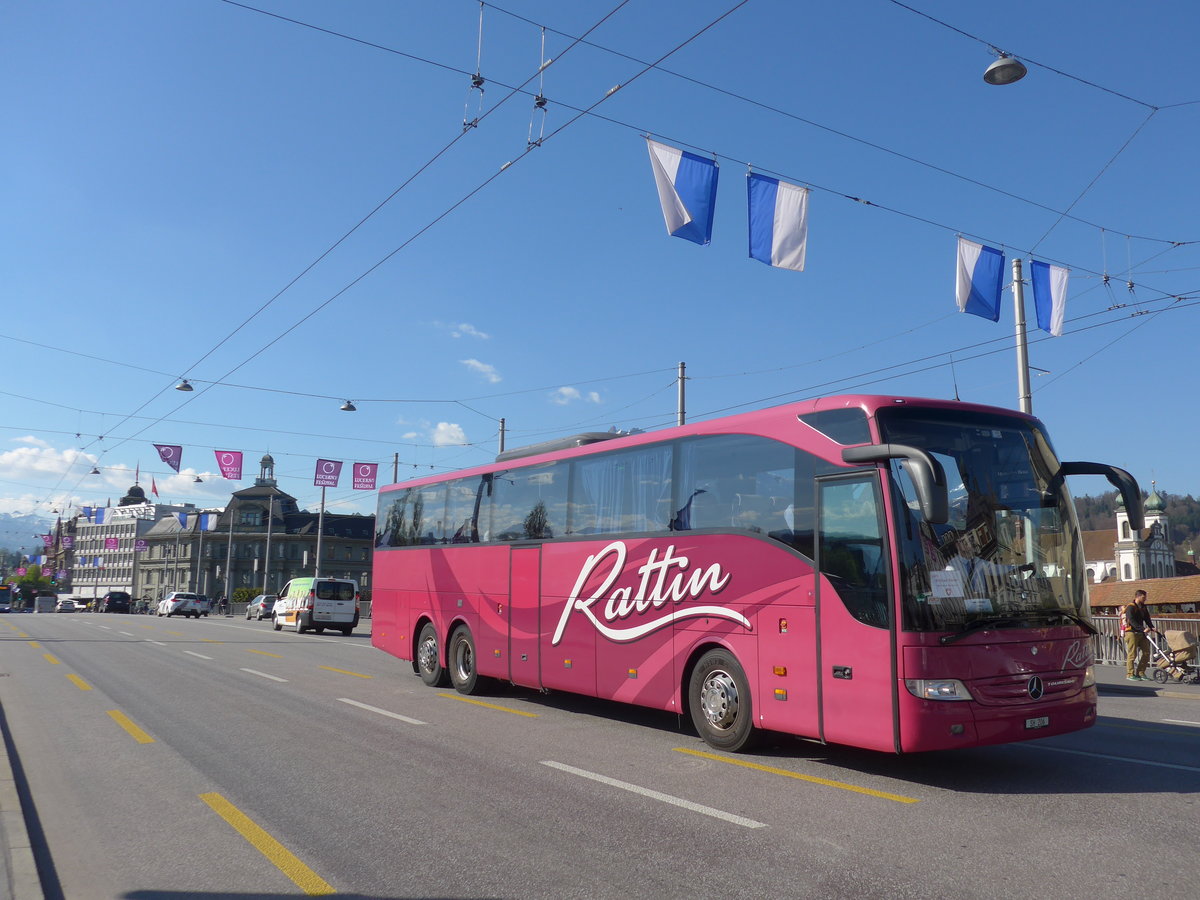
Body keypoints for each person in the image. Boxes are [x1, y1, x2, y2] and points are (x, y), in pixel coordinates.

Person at [1124, 589, 1156, 681]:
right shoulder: (1130, 607)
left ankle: (1140, 672)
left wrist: (1151, 626)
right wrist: (1142, 628)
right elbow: (1131, 620)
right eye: (1143, 597)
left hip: (1141, 633)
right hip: (1131, 632)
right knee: (1132, 654)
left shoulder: (1143, 607)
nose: (1145, 598)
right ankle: (1130, 674)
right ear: (1138, 596)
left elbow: (1147, 618)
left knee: (1146, 652)